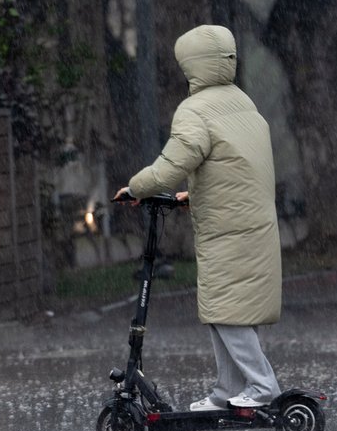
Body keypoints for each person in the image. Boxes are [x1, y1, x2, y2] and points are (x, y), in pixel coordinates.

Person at [115, 24, 283, 409]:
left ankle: (262, 387)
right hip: (252, 225)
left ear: (193, 66)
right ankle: (227, 392)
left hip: (228, 231)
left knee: (225, 311)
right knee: (230, 311)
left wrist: (136, 187)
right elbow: (239, 166)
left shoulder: (196, 111)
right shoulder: (243, 103)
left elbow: (174, 163)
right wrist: (198, 193)